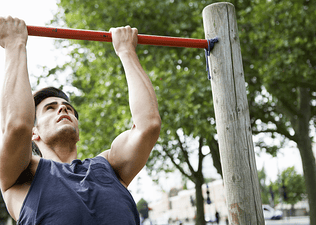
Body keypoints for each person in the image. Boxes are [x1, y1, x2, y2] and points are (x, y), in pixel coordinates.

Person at [0, 16, 161, 224]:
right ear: (34, 132)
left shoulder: (110, 167)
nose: (63, 108)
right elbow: (16, 126)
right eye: (50, 108)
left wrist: (127, 52)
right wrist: (15, 44)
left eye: (68, 108)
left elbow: (149, 125)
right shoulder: (21, 177)